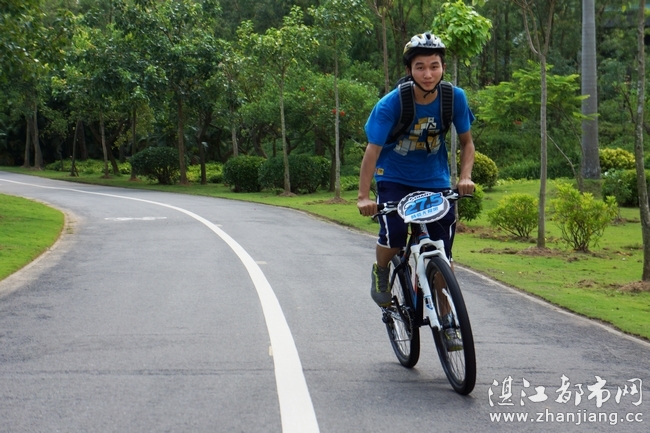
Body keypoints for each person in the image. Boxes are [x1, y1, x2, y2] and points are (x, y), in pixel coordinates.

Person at [357, 32, 475, 347]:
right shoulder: (392, 104)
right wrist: (364, 197)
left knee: (442, 255)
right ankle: (382, 270)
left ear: (443, 67)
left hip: (435, 180)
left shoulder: (454, 98)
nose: (427, 74)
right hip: (394, 177)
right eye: (420, 67)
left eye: (434, 66)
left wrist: (464, 177)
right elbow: (372, 152)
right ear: (409, 70)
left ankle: (448, 322)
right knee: (395, 235)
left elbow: (467, 143)